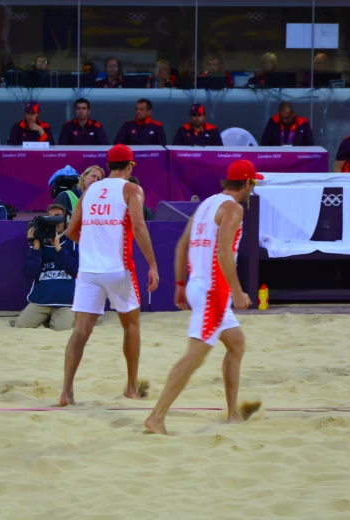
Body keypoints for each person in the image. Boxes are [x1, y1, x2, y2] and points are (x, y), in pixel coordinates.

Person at [143, 159, 261, 435]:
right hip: (214, 292)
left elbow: (182, 244)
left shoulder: (207, 204)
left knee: (236, 345)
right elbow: (223, 253)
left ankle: (233, 414)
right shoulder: (234, 209)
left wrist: (181, 285)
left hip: (199, 284)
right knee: (193, 358)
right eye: (253, 183)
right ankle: (156, 417)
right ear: (247, 183)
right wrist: (238, 290)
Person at [59, 144, 160, 406]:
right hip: (118, 269)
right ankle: (130, 387)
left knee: (80, 332)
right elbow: (138, 226)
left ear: (109, 166)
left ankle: (66, 391)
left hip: (89, 271)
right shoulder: (131, 189)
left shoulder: (90, 190)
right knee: (131, 325)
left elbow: (70, 231)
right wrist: (152, 264)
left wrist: (94, 243)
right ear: (129, 166)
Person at [14, 204, 79, 331]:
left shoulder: (73, 242)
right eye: (51, 219)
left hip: (65, 300)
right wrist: (36, 247)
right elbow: (31, 273)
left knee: (61, 328)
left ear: (66, 221)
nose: (55, 222)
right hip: (42, 299)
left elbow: (75, 269)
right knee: (21, 325)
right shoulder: (39, 244)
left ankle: (67, 315)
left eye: (58, 218)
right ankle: (48, 316)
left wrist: (58, 248)